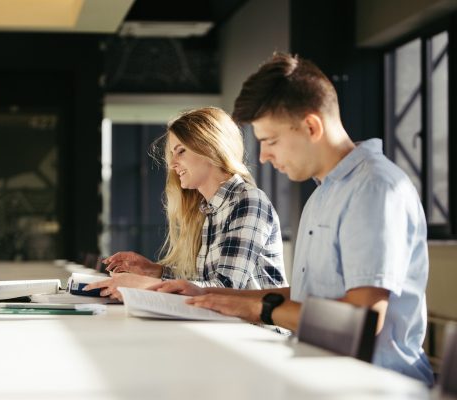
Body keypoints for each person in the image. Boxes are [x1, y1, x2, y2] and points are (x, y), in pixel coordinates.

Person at [151, 53, 434, 386]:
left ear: (312, 126)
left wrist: (261, 310)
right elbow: (305, 296)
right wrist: (206, 293)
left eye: (271, 141)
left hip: (372, 384)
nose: (264, 157)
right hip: (318, 371)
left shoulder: (374, 189)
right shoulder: (322, 194)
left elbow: (361, 319)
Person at [84, 107, 287, 299]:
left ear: (211, 148)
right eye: (172, 154)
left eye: (181, 151)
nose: (172, 165)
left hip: (256, 333)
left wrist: (144, 285)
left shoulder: (248, 200)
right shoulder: (209, 209)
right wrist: (155, 272)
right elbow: (203, 284)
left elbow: (226, 290)